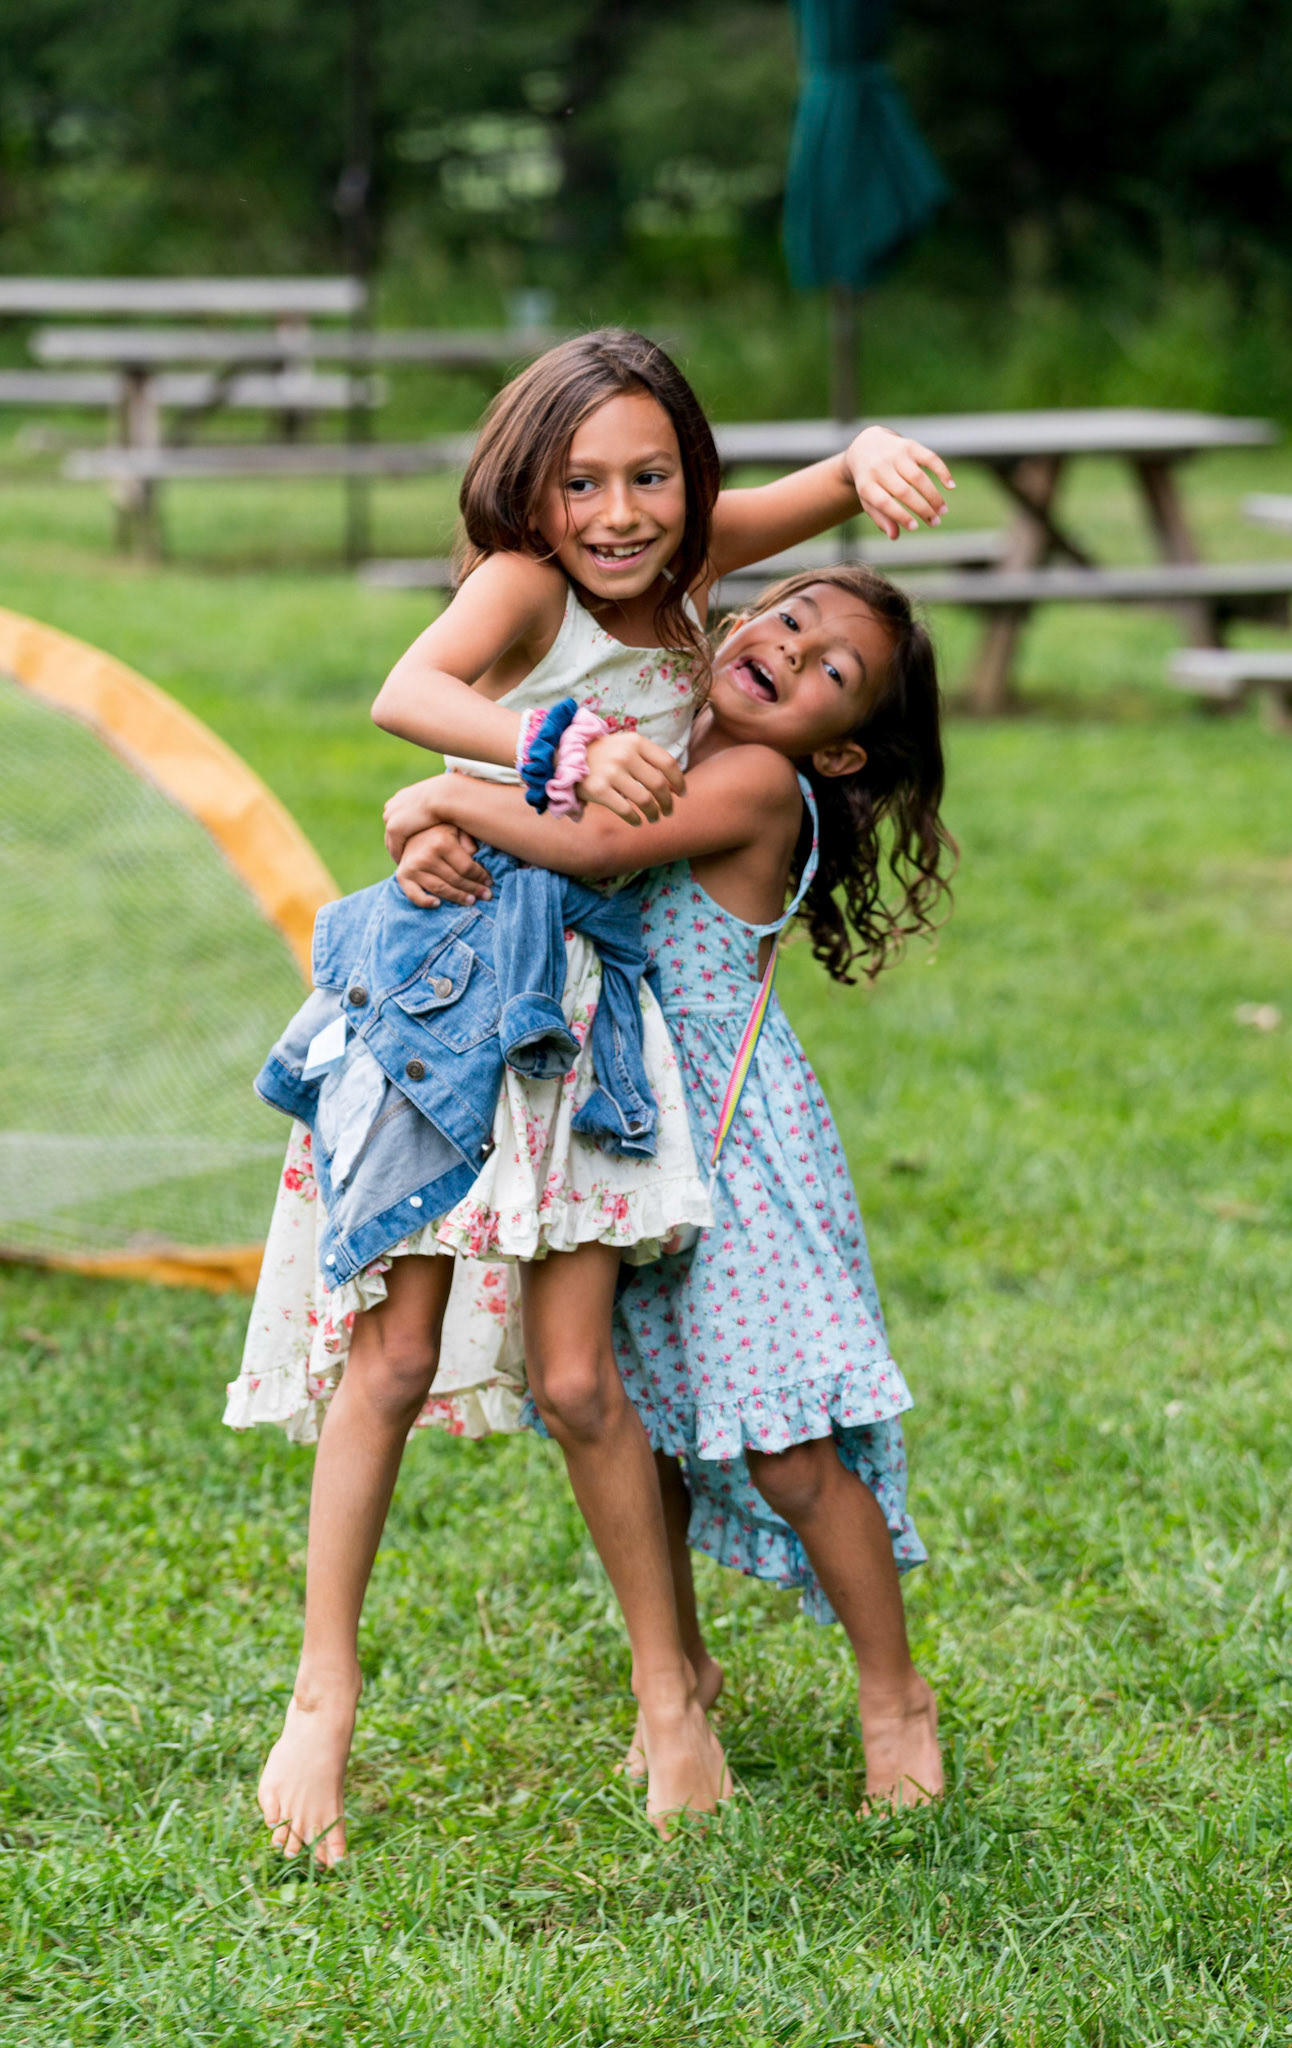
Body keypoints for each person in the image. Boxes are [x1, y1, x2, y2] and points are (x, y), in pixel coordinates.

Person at [226, 328, 955, 1859]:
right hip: (494, 1029)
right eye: (582, 482)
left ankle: (794, 1695)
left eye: (653, 479)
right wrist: (506, 762)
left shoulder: (715, 654)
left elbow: (603, 834)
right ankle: (369, 1695)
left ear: (695, 489)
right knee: (483, 1369)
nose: (620, 512)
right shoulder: (546, 587)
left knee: (661, 1405)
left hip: (637, 1080)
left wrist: (441, 800)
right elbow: (417, 691)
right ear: (531, 488)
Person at [387, 563, 954, 1811]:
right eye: (790, 618)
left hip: (731, 1145)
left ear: (840, 752)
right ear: (740, 618)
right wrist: (437, 823)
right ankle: (681, 1664)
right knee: (637, 1419)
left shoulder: (758, 781)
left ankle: (893, 1690)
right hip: (622, 1130)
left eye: (832, 670)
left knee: (789, 1449)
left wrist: (442, 791)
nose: (791, 650)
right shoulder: (655, 730)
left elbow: (592, 844)